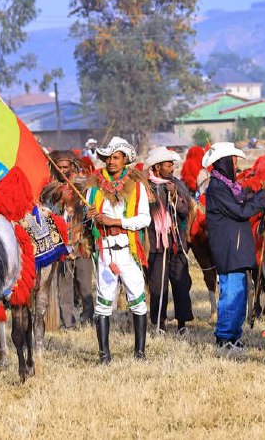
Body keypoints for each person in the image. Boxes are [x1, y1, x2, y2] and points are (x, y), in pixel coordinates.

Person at [202, 142, 265, 354]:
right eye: (233, 161)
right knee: (232, 295)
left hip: (236, 248)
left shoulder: (228, 186)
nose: (235, 165)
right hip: (229, 249)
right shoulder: (217, 189)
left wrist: (261, 192)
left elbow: (245, 202)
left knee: (240, 294)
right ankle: (224, 339)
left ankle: (234, 337)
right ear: (223, 163)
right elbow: (242, 212)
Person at [85, 137, 151, 363]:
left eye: (116, 157)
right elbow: (88, 219)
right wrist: (90, 217)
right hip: (104, 249)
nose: (111, 162)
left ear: (124, 160)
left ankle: (140, 353)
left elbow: (144, 219)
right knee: (103, 302)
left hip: (127, 248)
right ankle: (104, 355)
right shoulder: (93, 186)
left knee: (137, 299)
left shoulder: (137, 185)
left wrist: (115, 222)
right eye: (108, 158)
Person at [42, 150, 95, 328]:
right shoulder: (50, 189)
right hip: (62, 246)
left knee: (85, 284)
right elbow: (48, 214)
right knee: (64, 287)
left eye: (66, 167)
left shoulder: (82, 184)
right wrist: (59, 201)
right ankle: (68, 321)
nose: (63, 170)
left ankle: (88, 319)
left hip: (82, 243)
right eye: (60, 167)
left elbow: (90, 208)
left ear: (72, 166)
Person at [145, 147, 194, 334]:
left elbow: (186, 209)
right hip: (156, 244)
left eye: (172, 164)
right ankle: (160, 323)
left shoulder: (177, 184)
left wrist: (174, 195)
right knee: (158, 285)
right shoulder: (145, 187)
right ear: (157, 167)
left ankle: (182, 323)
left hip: (177, 243)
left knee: (182, 284)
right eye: (168, 164)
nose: (172, 168)